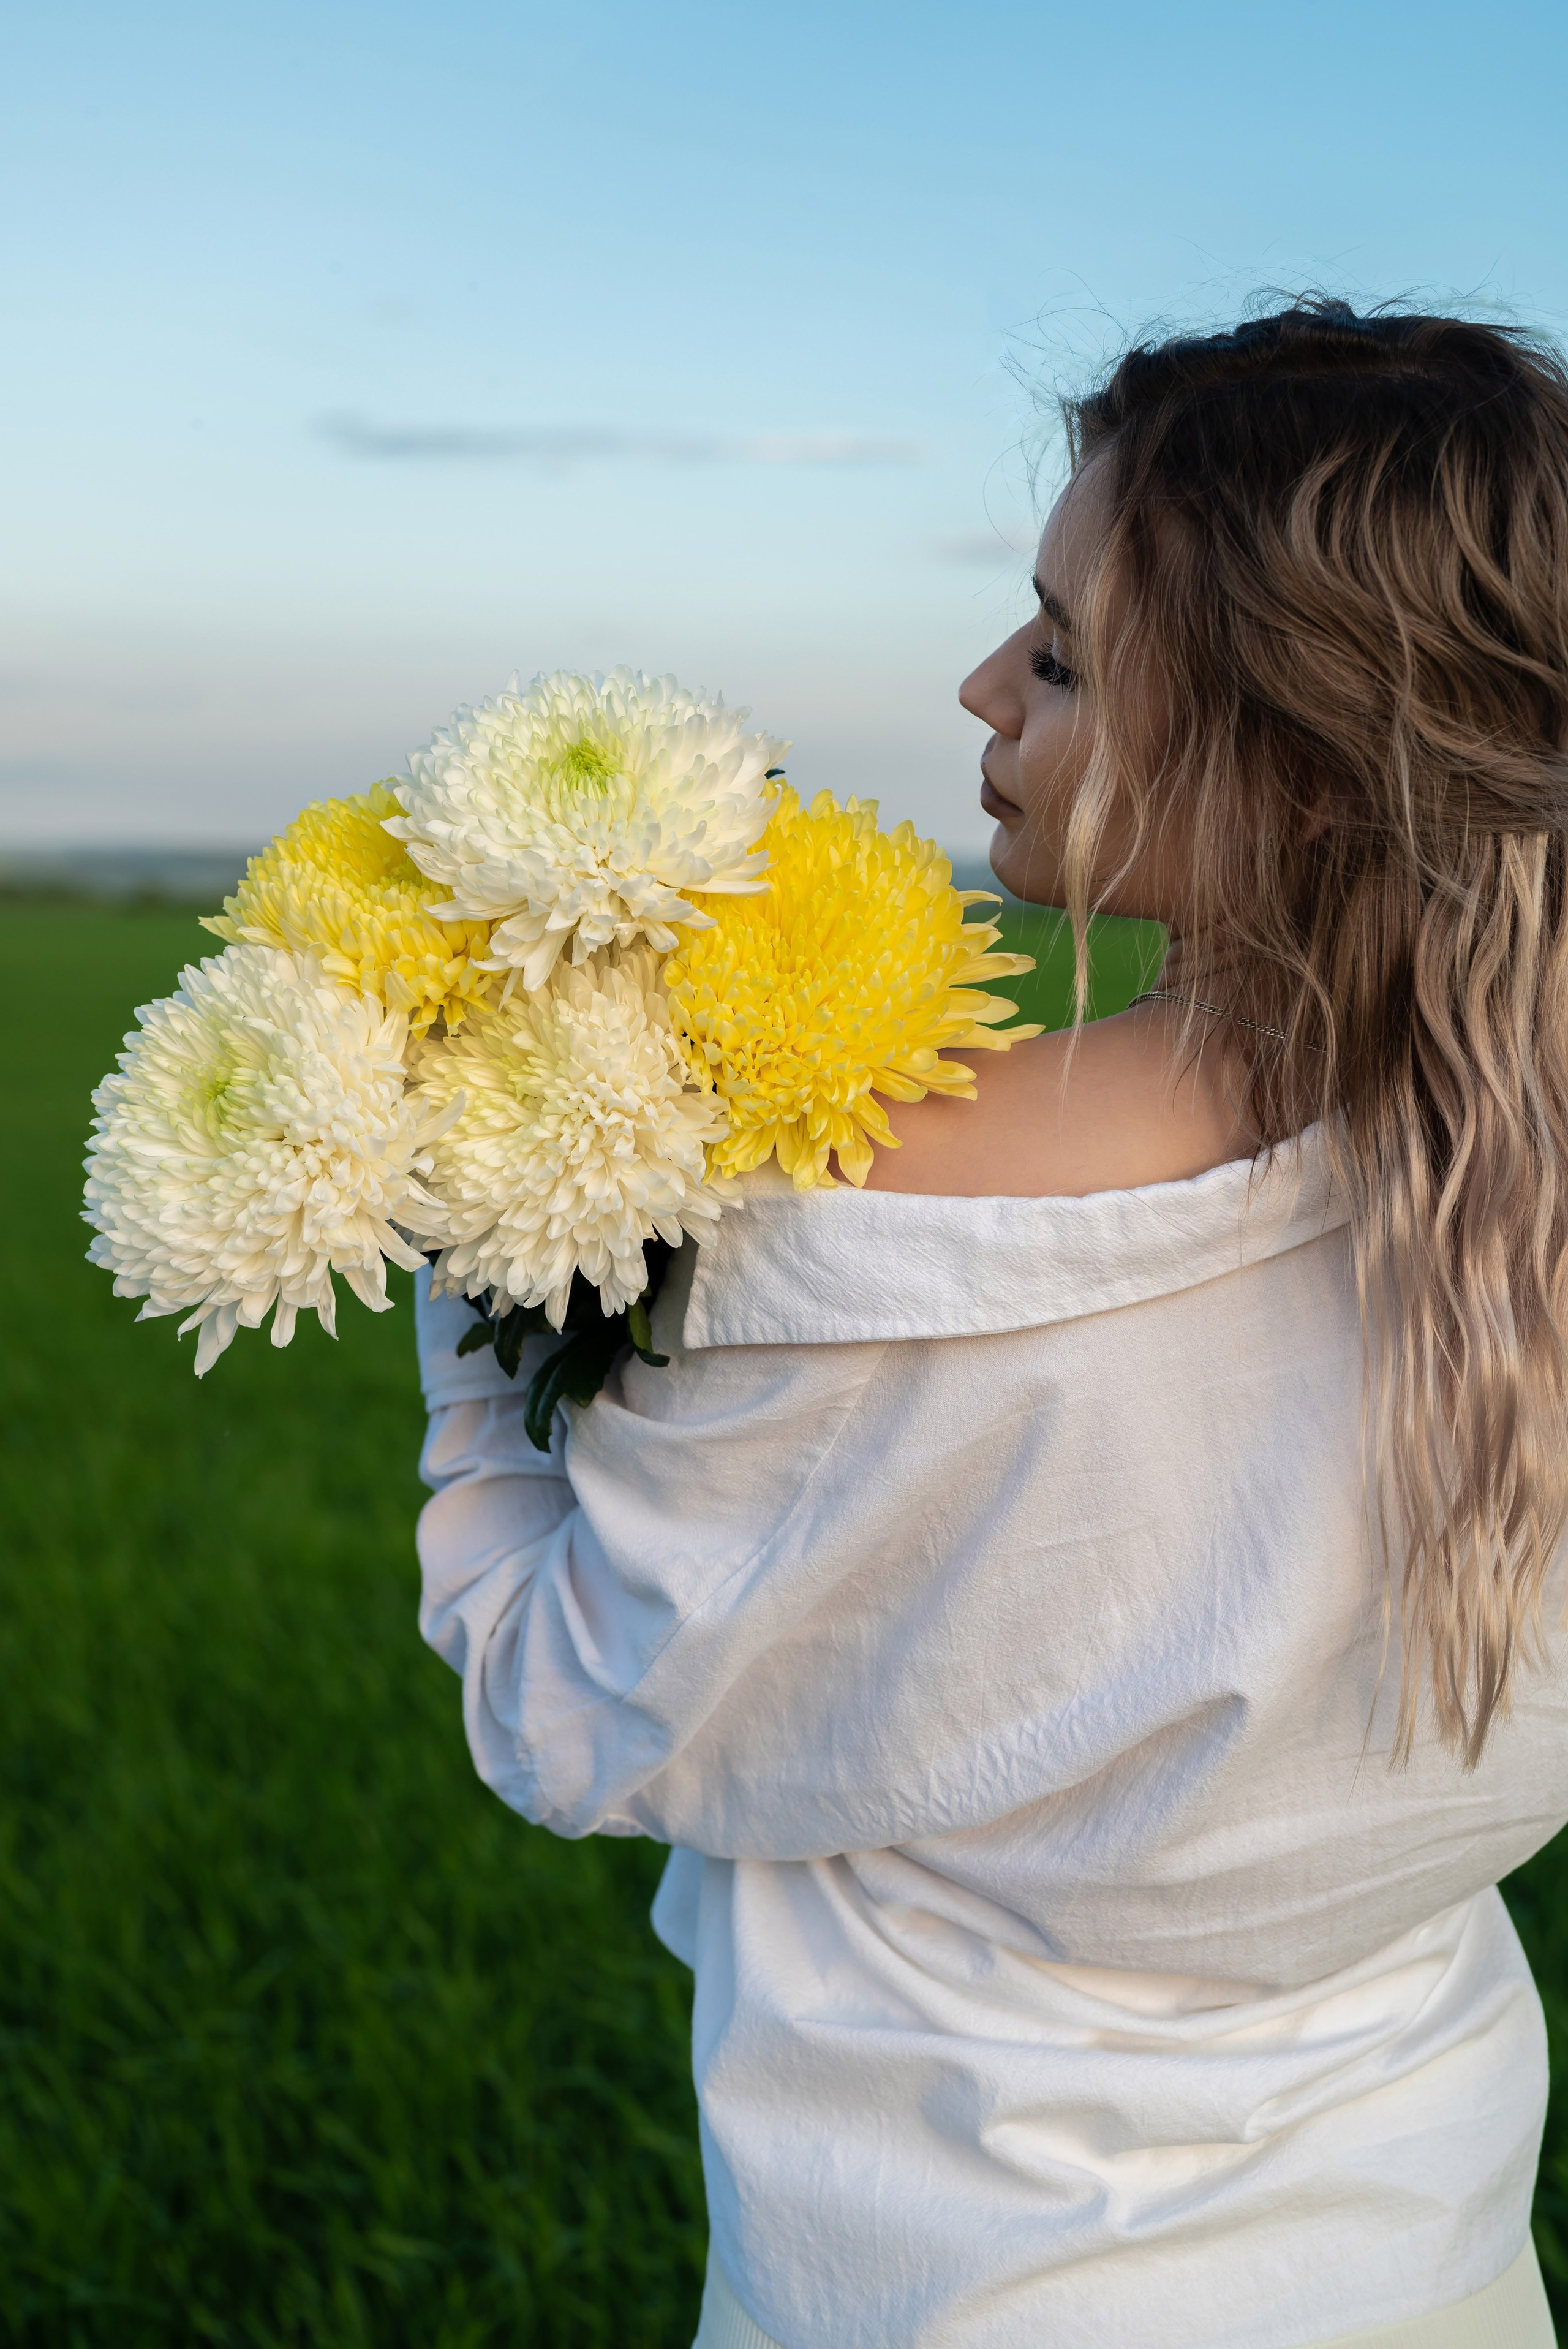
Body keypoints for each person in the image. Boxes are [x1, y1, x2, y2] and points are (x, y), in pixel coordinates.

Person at [412, 300, 1568, 2348]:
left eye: (1059, 653)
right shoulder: (1527, 1197)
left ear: (1298, 771)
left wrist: (480, 1262)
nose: (982, 688)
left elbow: (569, 1707)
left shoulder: (852, 1208)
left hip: (957, 2286)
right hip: (1436, 2260)